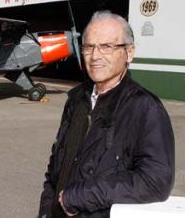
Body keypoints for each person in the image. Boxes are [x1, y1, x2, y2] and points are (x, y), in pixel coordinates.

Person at [38, 11, 175, 218]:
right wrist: (45, 212)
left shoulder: (145, 108)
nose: (95, 56)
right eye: (88, 47)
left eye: (107, 46)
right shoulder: (76, 100)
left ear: (129, 53)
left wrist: (80, 196)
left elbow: (155, 181)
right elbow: (54, 169)